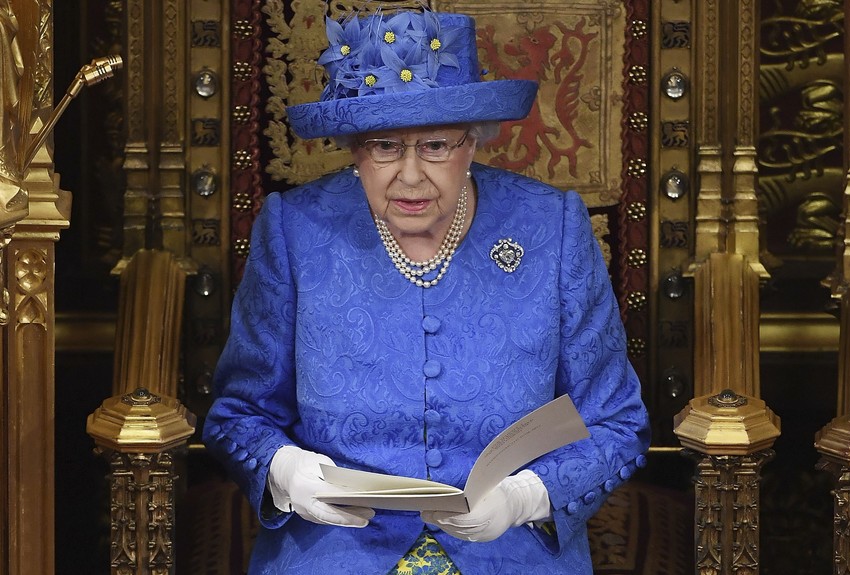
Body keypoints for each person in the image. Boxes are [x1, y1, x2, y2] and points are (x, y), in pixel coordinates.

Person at [203, 7, 650, 575]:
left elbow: (616, 423)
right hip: (337, 553)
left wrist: (526, 498)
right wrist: (285, 472)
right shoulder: (296, 229)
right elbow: (238, 413)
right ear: (352, 147)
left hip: (509, 552)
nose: (410, 176)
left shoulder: (552, 226)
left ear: (474, 140)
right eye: (384, 147)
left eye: (436, 145)